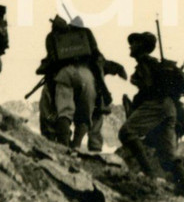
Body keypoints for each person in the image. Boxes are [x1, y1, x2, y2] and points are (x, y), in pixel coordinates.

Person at [37, 16, 124, 150]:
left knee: (64, 112)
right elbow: (99, 59)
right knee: (84, 116)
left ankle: (63, 146)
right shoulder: (86, 36)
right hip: (87, 76)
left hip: (64, 75)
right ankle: (76, 146)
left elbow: (49, 62)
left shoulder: (53, 37)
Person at [118, 32, 184, 189]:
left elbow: (148, 89)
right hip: (169, 108)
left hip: (156, 104)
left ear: (142, 46)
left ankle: (149, 174)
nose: (130, 46)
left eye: (134, 42)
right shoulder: (155, 64)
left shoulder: (145, 63)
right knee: (167, 156)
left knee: (127, 132)